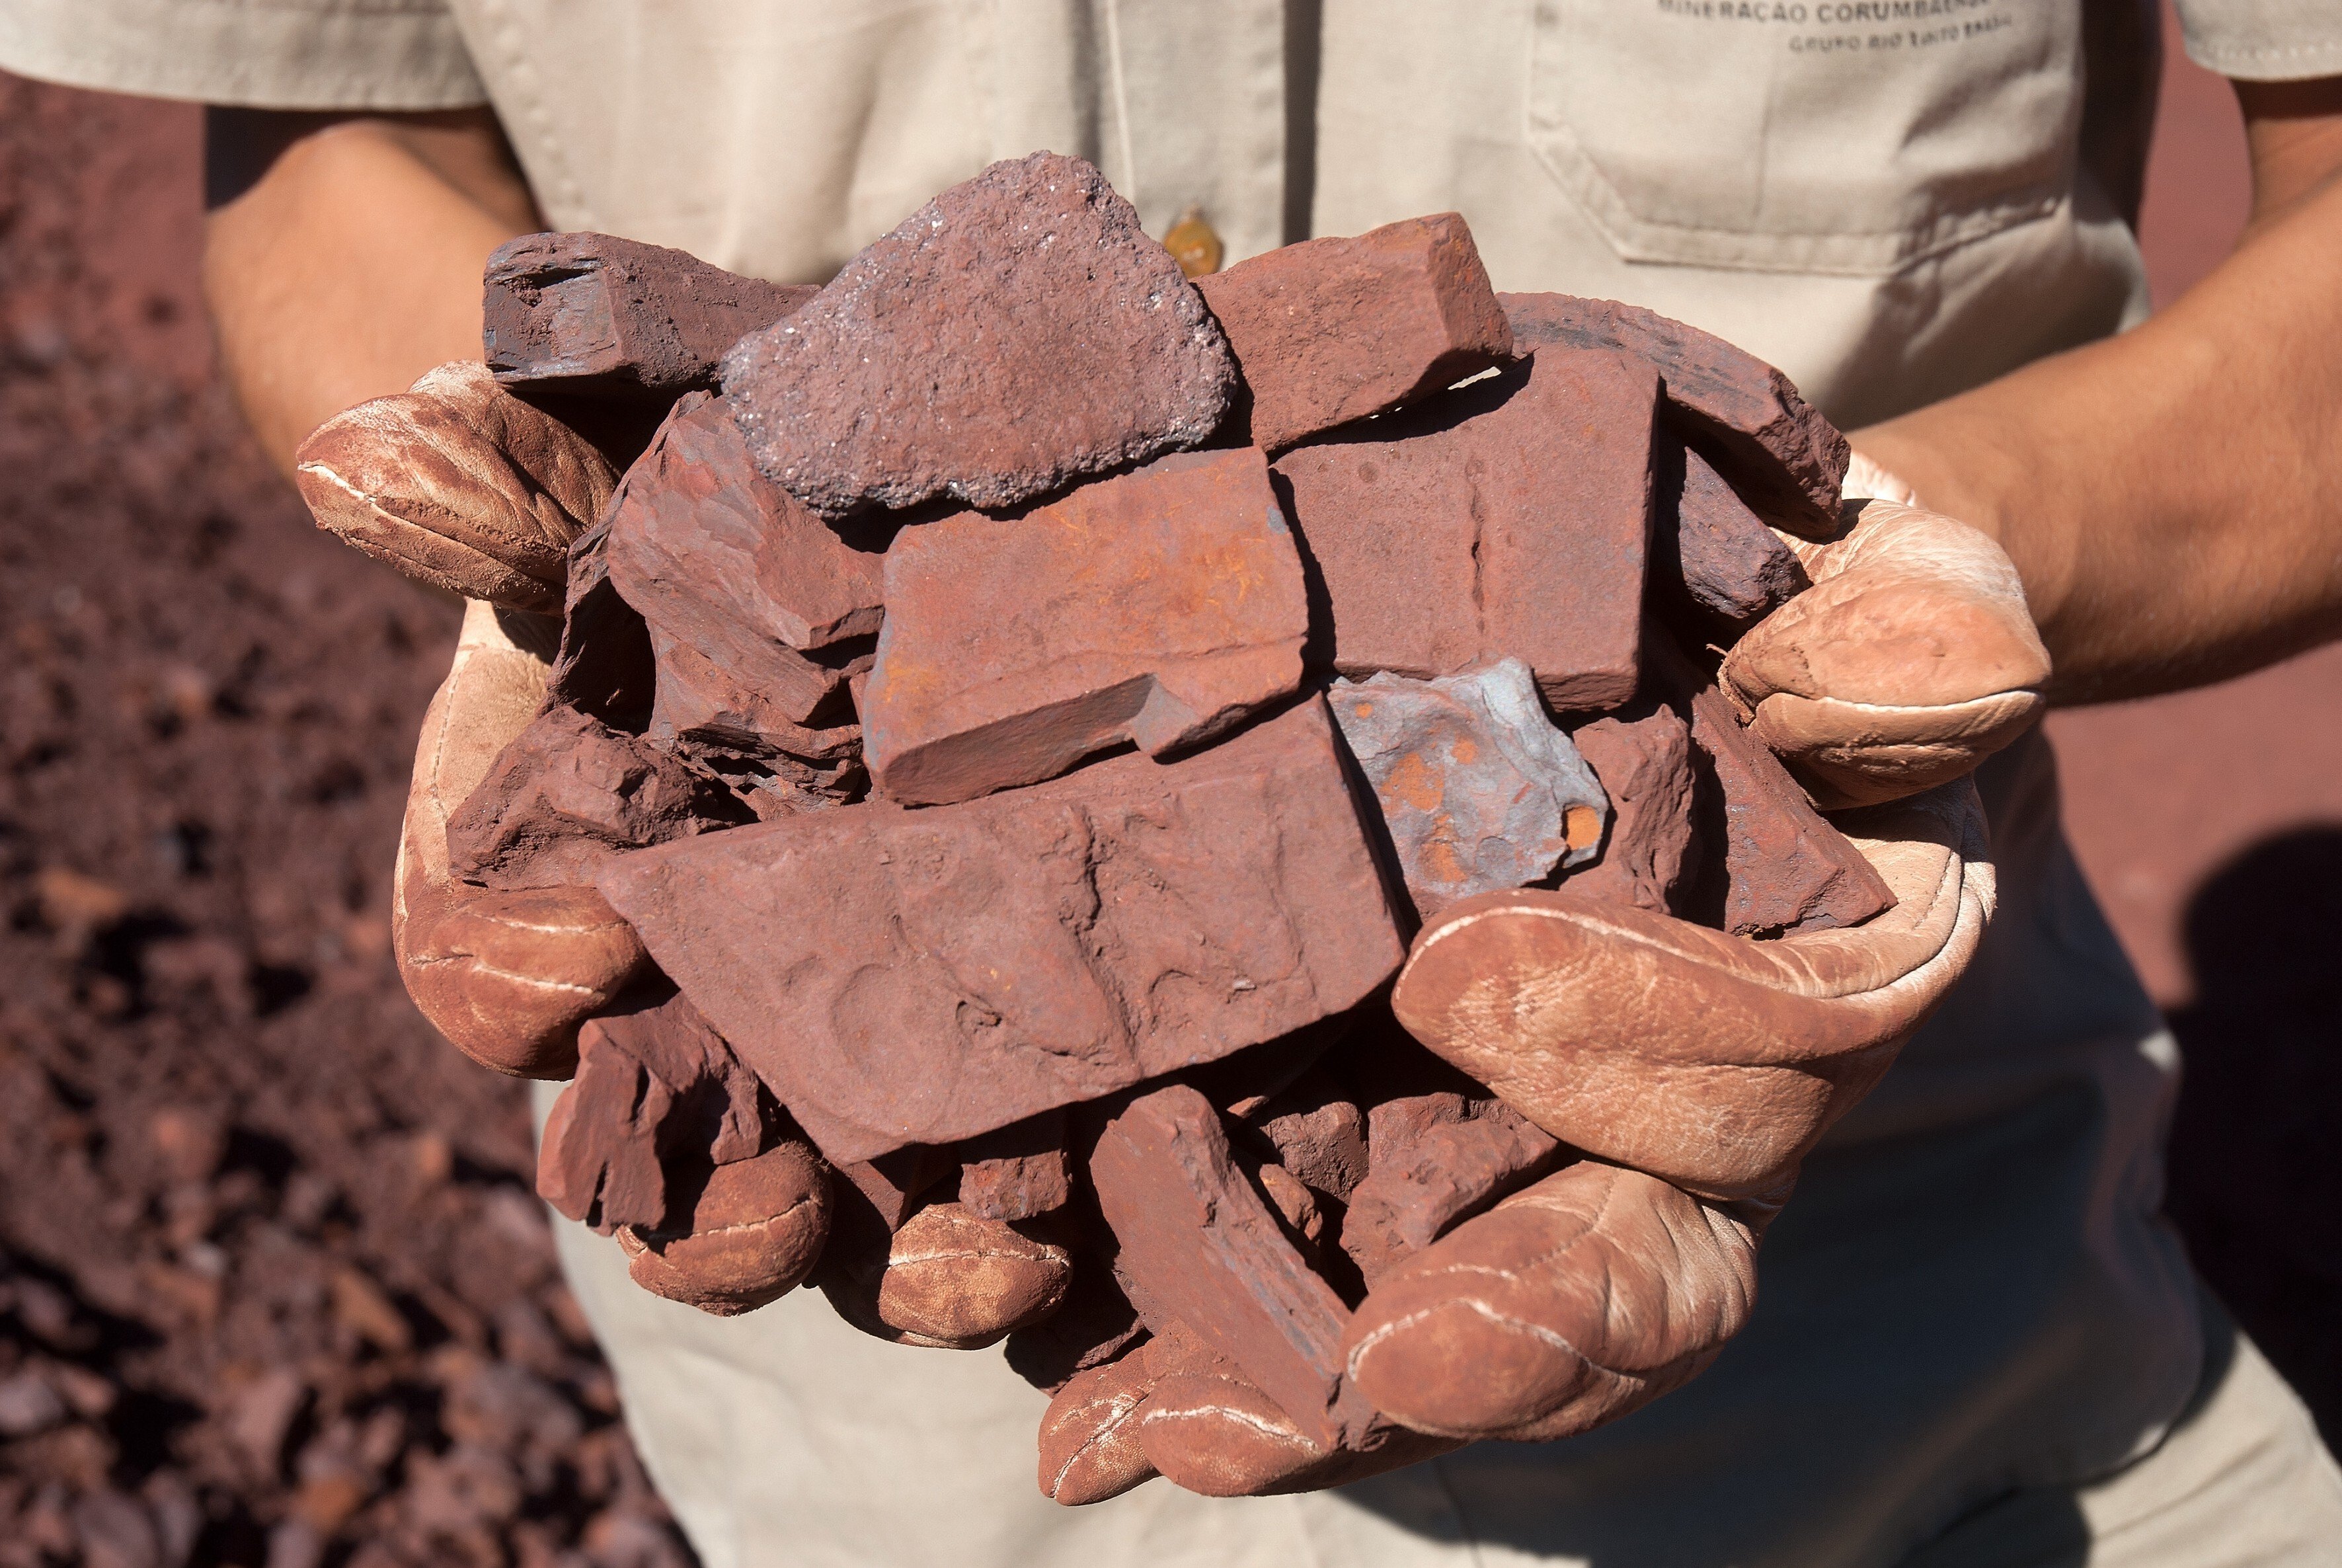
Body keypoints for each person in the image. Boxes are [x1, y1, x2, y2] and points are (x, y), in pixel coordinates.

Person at [6, 3, 2340, 1562]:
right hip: (866, 1417)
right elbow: (327, 133)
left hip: (1913, 1355)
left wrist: (1847, 585)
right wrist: (614, 571)